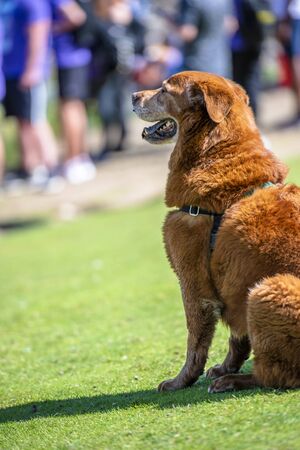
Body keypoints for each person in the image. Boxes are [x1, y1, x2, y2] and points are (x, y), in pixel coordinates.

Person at [1, 0, 59, 189]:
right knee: (22, 121)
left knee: (36, 120)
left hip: (27, 72)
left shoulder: (31, 2)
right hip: (9, 72)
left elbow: (39, 31)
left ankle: (52, 170)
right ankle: (32, 168)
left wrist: (33, 68)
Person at [50, 0, 96, 184]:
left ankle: (74, 159)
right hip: (76, 56)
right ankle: (80, 157)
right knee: (75, 106)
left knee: (69, 107)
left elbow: (76, 16)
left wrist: (51, 29)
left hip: (68, 57)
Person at [178, 0, 234, 78]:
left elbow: (188, 33)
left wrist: (172, 24)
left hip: (197, 66)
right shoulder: (224, 1)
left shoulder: (191, 2)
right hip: (221, 65)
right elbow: (231, 26)